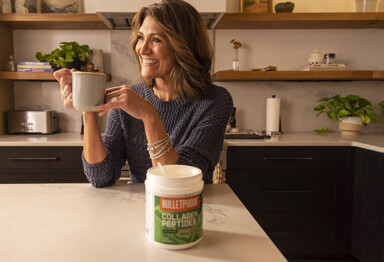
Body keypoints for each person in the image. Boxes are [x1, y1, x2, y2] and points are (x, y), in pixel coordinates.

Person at [54, 0, 233, 188]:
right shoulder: (129, 99)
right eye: (141, 37)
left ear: (184, 46)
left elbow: (177, 183)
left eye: (156, 39)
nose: (142, 49)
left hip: (188, 211)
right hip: (138, 210)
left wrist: (150, 116)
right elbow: (100, 177)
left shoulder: (215, 100)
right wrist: (87, 107)